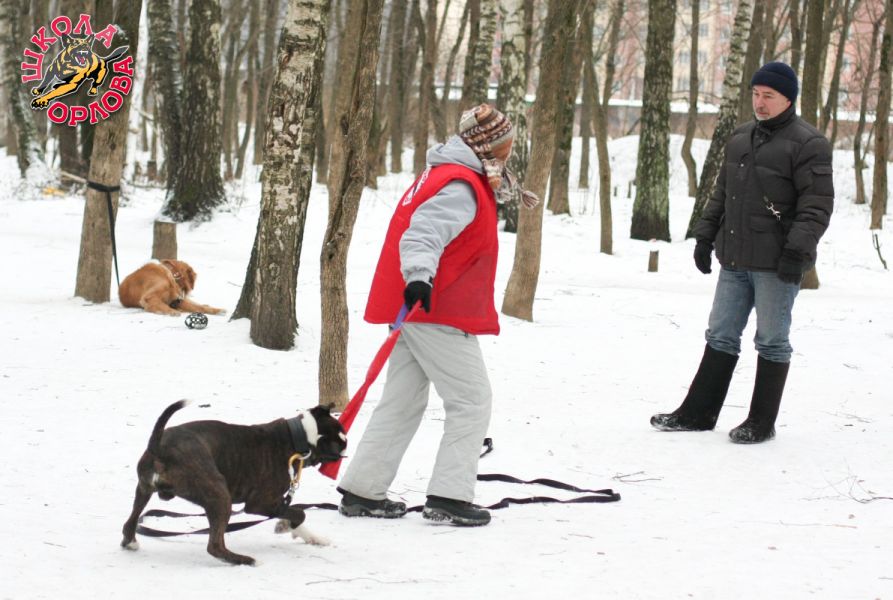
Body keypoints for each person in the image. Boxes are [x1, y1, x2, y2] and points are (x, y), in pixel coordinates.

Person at [337, 104, 537, 525]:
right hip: (437, 306)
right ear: (486, 145)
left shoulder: (450, 172)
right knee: (471, 400)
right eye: (504, 144)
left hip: (423, 307)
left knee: (402, 401)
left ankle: (363, 490)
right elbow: (423, 233)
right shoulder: (460, 184)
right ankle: (449, 496)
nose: (508, 151)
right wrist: (419, 277)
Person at [651, 62, 834, 444]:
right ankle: (698, 413)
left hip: (777, 264)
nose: (760, 102)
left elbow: (816, 207)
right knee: (720, 334)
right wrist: (704, 237)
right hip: (734, 258)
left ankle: (761, 422)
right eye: (756, 94)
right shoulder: (740, 138)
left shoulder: (809, 143)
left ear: (788, 99)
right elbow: (722, 193)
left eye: (769, 96)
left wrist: (796, 253)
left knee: (771, 339)